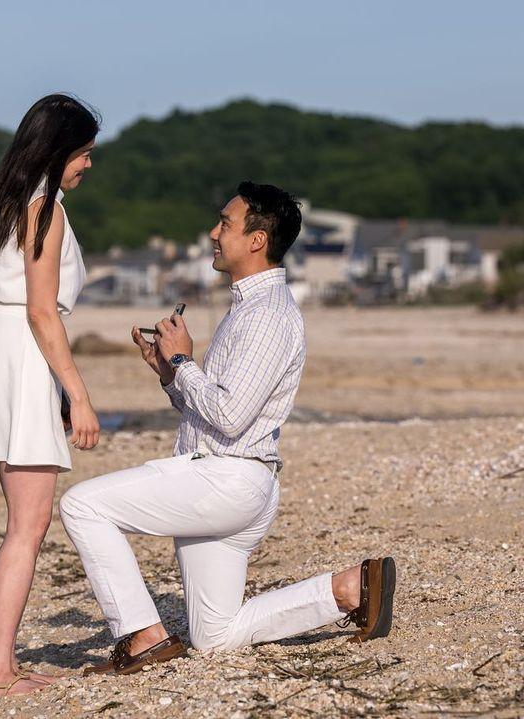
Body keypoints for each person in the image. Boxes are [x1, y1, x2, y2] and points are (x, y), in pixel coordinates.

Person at [59, 181, 395, 675]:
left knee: (82, 505)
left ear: (257, 240)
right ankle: (347, 590)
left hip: (226, 479)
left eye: (225, 224)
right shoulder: (250, 308)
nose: (213, 233)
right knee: (214, 636)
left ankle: (143, 636)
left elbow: (231, 416)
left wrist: (183, 360)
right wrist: (170, 373)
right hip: (231, 480)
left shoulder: (267, 315)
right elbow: (212, 411)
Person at [0, 93, 102, 702]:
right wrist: (79, 395)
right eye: (83, 152)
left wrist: (59, 390)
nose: (88, 164)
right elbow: (43, 313)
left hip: (0, 353)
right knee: (28, 524)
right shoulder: (45, 211)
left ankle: (1, 663)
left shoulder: (12, 204)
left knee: (24, 522)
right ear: (57, 151)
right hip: (21, 355)